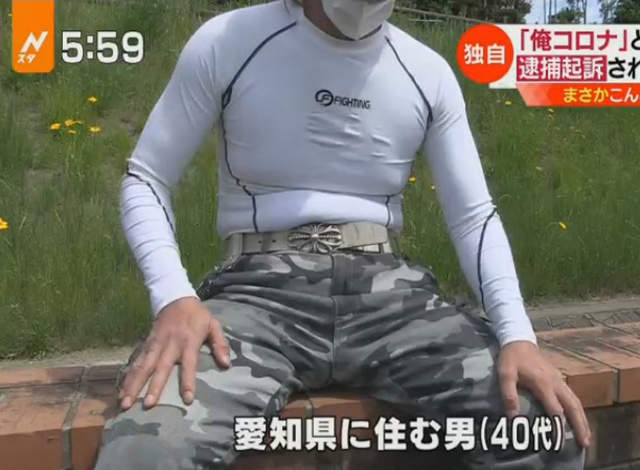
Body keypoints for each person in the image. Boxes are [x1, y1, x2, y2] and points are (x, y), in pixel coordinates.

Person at [93, 0, 590, 468]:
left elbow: (473, 216)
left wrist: (518, 335)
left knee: (545, 433)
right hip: (256, 299)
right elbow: (146, 179)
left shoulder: (426, 71)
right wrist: (174, 298)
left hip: (393, 303)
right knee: (145, 448)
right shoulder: (227, 41)